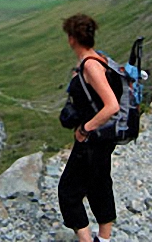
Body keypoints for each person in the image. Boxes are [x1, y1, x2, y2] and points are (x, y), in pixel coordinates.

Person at [58, 14, 120, 242]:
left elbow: (111, 106)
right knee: (99, 184)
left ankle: (86, 241)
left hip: (92, 139)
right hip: (104, 138)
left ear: (72, 39)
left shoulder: (91, 66)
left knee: (68, 192)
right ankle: (104, 239)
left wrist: (84, 130)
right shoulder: (98, 59)